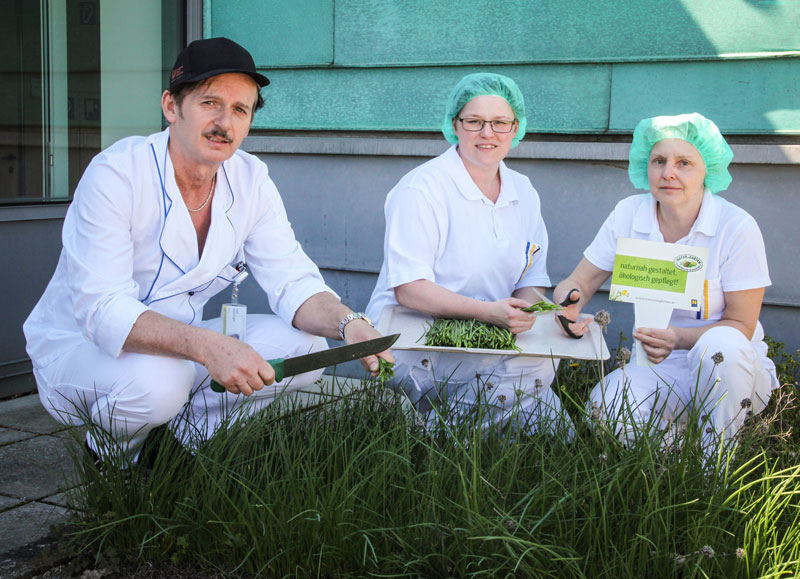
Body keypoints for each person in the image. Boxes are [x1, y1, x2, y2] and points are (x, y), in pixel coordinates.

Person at [23, 37, 393, 463]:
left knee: (307, 348)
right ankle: (112, 458)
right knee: (160, 381)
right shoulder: (117, 175)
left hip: (180, 345)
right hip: (82, 349)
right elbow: (102, 308)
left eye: (240, 109)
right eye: (210, 103)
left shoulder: (251, 180)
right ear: (171, 106)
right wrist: (207, 346)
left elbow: (292, 280)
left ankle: (181, 446)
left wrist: (351, 325)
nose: (224, 123)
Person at [554, 113, 778, 449]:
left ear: (707, 170)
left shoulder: (735, 226)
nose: (668, 173)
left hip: (730, 370)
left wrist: (679, 338)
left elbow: (742, 325)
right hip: (655, 364)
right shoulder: (629, 213)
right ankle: (681, 457)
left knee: (722, 346)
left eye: (684, 163)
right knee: (604, 412)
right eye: (659, 161)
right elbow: (579, 282)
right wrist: (567, 306)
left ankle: (717, 456)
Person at [366, 72, 572, 434]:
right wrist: (490, 313)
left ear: (516, 128)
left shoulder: (523, 191)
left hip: (489, 332)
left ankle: (445, 427)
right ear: (454, 125)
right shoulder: (422, 188)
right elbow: (409, 289)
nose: (487, 133)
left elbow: (530, 281)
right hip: (412, 337)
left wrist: (535, 314)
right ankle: (440, 441)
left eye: (500, 123)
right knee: (535, 371)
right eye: (474, 121)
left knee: (553, 420)